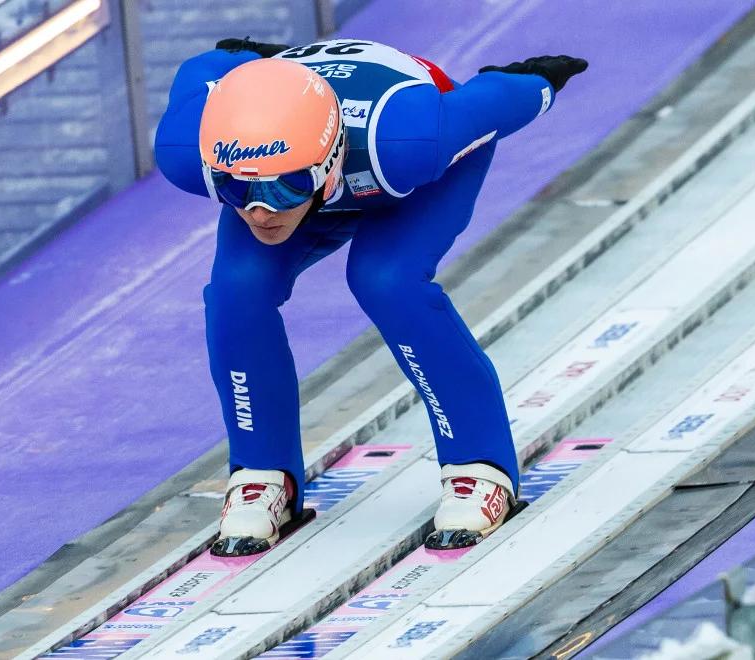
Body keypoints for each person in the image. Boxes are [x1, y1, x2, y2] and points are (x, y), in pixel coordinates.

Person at [153, 37, 587, 555]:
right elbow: (203, 68)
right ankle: (262, 472)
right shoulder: (188, 150)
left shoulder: (407, 140)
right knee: (235, 291)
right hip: (331, 155)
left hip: (410, 171)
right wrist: (244, 58)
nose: (261, 211)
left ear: (330, 161)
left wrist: (535, 80)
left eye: (285, 188)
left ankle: (480, 464)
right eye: (235, 191)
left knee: (387, 279)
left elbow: (493, 98)